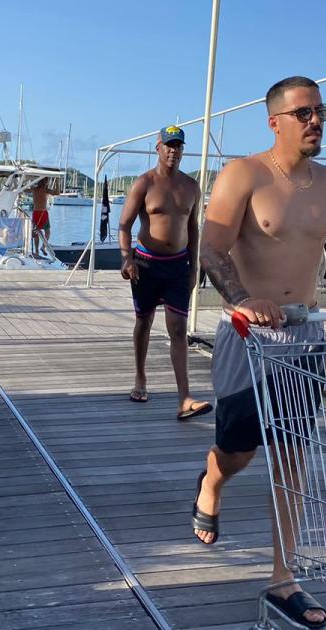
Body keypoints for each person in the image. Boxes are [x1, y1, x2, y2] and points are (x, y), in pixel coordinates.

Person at [192, 77, 326, 628]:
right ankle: (212, 480)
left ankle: (283, 579)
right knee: (237, 450)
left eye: (322, 111)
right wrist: (242, 299)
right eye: (304, 112)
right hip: (247, 333)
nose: (316, 121)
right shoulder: (243, 174)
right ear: (275, 121)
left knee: (291, 453)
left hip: (304, 335)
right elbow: (211, 248)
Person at [118, 125, 212, 420]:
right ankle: (140, 378)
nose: (174, 151)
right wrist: (126, 258)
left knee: (178, 329)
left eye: (179, 146)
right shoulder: (144, 183)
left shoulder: (191, 186)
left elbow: (194, 228)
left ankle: (184, 398)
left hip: (177, 266)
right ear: (158, 147)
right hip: (145, 263)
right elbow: (124, 225)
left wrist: (194, 266)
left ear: (184, 150)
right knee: (144, 322)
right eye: (169, 145)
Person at [31, 177, 52, 252]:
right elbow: (57, 192)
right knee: (47, 231)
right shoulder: (46, 190)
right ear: (46, 182)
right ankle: (43, 247)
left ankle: (37, 250)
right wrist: (57, 182)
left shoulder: (34, 189)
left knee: (36, 232)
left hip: (36, 212)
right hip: (43, 212)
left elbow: (25, 190)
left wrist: (30, 182)